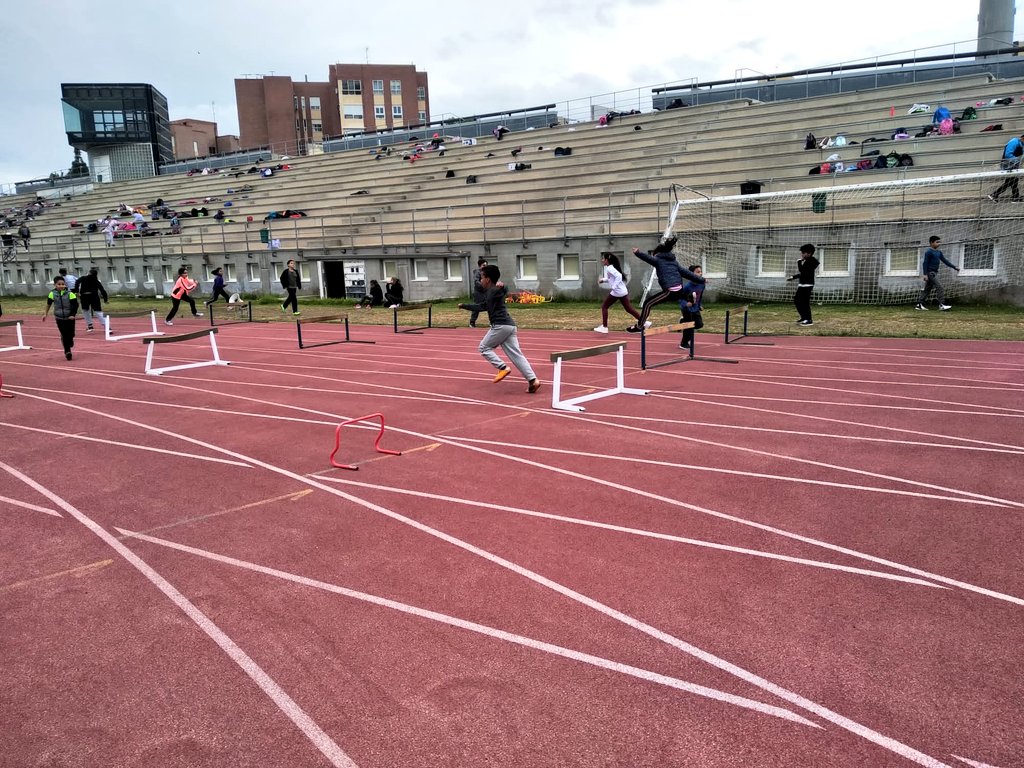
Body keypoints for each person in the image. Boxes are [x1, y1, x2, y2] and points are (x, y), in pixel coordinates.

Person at [458, 264, 541, 393]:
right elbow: (483, 306)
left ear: (488, 279)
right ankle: (533, 380)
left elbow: (502, 291)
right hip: (510, 326)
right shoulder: (492, 291)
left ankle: (502, 367)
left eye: (481, 278)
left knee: (484, 348)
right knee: (516, 355)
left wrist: (503, 287)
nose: (480, 281)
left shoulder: (494, 290)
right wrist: (465, 306)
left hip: (501, 326)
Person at [627, 236, 705, 332]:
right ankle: (688, 297)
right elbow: (687, 273)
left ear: (658, 254)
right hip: (679, 289)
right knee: (678, 296)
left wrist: (637, 252)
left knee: (647, 304)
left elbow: (648, 258)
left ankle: (639, 327)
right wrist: (701, 280)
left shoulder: (658, 260)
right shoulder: (674, 263)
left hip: (670, 291)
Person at [594, 252, 641, 333]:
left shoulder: (609, 268)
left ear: (607, 260)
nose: (602, 260)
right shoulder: (611, 267)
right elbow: (611, 278)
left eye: (603, 259)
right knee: (629, 309)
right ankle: (644, 321)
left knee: (604, 306)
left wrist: (613, 287)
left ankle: (604, 327)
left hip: (617, 292)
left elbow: (618, 276)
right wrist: (603, 280)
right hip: (623, 291)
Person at [916, 235, 959, 311]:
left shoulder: (939, 252)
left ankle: (920, 304)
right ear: (931, 243)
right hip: (930, 273)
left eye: (939, 242)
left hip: (935, 272)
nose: (939, 243)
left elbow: (945, 261)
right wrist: (925, 274)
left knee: (927, 289)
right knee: (940, 287)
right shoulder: (928, 252)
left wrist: (954, 267)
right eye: (937, 242)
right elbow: (925, 263)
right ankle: (941, 304)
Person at [42, 275, 78, 360]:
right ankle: (67, 351)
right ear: (55, 285)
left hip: (69, 318)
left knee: (71, 334)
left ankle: (70, 340)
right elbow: (48, 304)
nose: (61, 286)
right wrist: (45, 314)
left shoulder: (70, 294)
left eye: (63, 284)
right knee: (64, 334)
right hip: (59, 318)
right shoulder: (52, 294)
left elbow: (75, 305)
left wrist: (72, 314)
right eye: (59, 284)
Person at [787, 244, 820, 326]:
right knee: (797, 301)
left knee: (805, 302)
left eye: (803, 253)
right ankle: (804, 317)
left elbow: (802, 271)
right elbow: (803, 273)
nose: (802, 255)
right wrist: (793, 277)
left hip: (807, 285)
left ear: (809, 253)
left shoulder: (812, 261)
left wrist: (799, 262)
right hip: (802, 284)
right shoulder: (807, 261)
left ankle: (809, 319)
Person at [988, 134, 1023, 202]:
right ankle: (994, 194)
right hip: (1008, 165)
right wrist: (1018, 160)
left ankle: (1015, 197)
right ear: (1022, 138)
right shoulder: (1014, 142)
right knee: (1010, 182)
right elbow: (1008, 154)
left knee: (1013, 181)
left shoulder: (1021, 145)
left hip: (1014, 166)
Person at [678, 264, 705, 349]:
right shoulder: (687, 287)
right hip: (686, 309)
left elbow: (699, 296)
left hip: (695, 308)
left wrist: (699, 305)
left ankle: (682, 321)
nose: (700, 274)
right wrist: (685, 304)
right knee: (689, 327)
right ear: (691, 274)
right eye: (698, 272)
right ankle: (683, 343)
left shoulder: (702, 284)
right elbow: (679, 298)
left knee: (699, 324)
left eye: (701, 272)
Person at [76, 266, 108, 332]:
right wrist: (105, 299)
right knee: (98, 311)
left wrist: (76, 291)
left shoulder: (83, 278)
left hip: (85, 296)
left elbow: (77, 282)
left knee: (85, 311)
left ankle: (90, 325)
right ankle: (107, 327)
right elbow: (102, 290)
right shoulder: (96, 281)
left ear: (89, 273)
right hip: (94, 296)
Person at [469, 259, 489, 327]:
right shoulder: (477, 272)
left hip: (486, 292)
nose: (485, 266)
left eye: (486, 265)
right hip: (478, 293)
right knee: (477, 307)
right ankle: (472, 322)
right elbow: (476, 281)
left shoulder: (487, 272)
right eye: (484, 265)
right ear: (480, 266)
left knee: (490, 306)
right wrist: (482, 284)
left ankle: (492, 322)